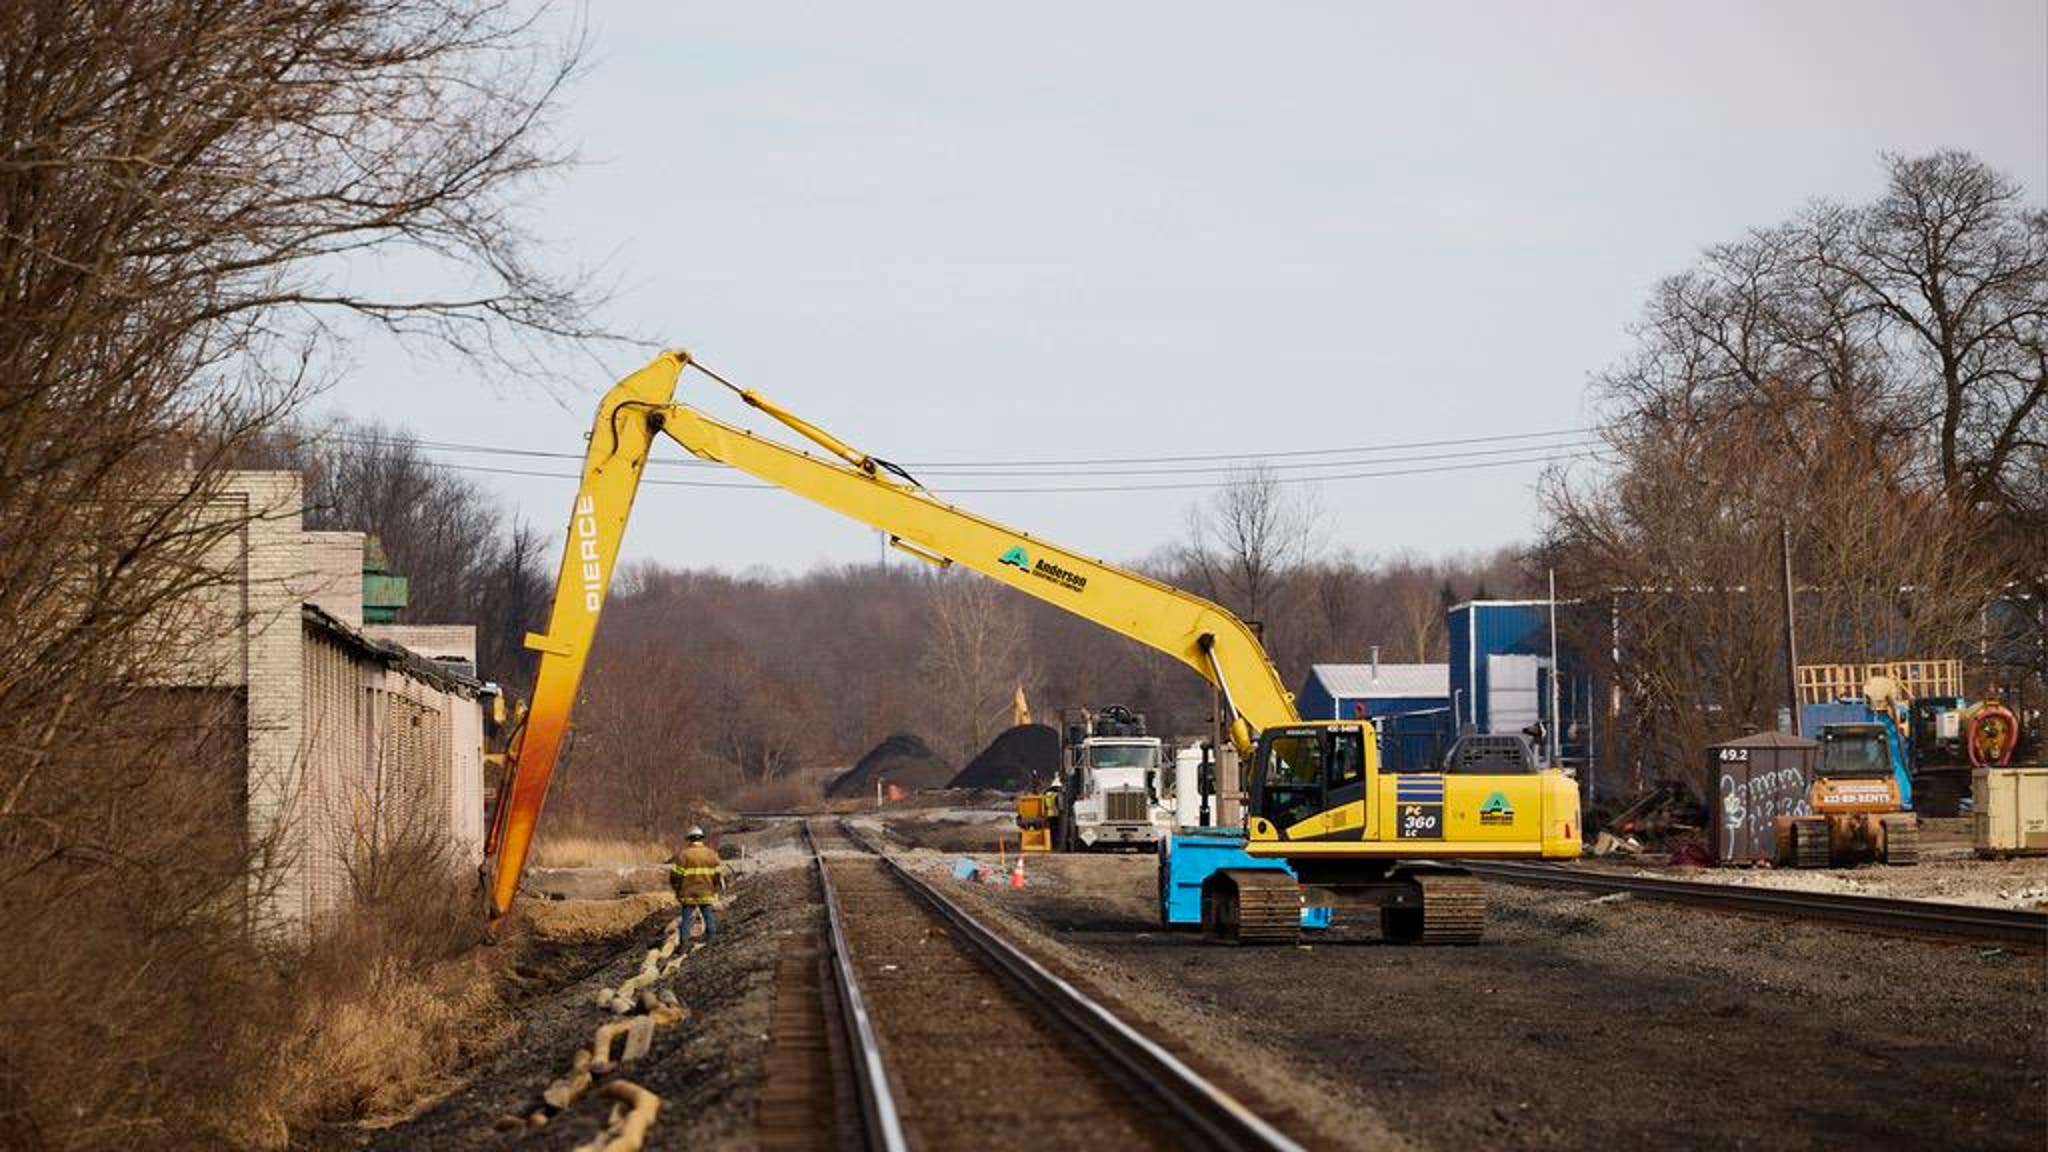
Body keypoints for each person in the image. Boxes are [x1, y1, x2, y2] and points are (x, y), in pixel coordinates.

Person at [668, 826, 725, 943]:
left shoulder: (683, 855)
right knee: (708, 915)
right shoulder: (712, 854)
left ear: (689, 839)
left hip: (688, 893)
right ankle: (711, 939)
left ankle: (683, 943)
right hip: (706, 892)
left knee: (686, 919)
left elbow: (675, 876)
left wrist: (676, 889)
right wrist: (715, 889)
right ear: (701, 839)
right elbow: (718, 875)